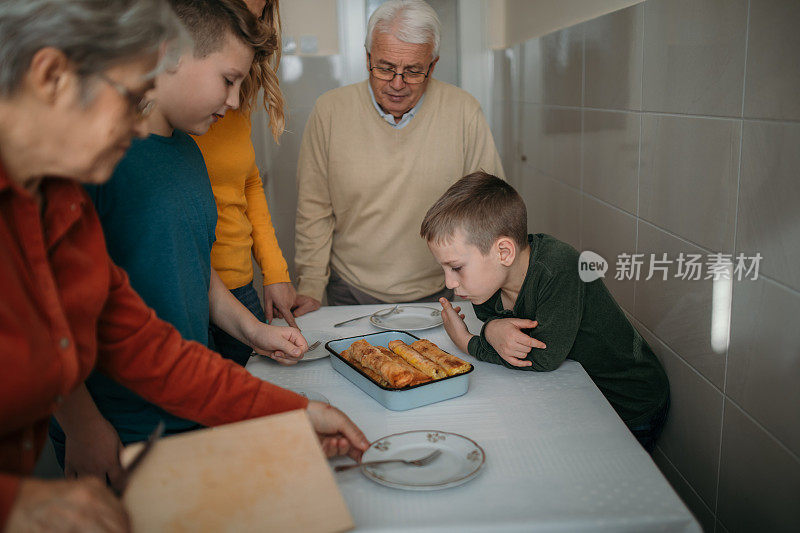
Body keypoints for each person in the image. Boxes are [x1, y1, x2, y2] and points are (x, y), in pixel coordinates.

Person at [0, 1, 367, 530]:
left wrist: (292, 413)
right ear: (51, 77)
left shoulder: (63, 204)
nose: (138, 121)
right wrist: (18, 503)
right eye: (130, 96)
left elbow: (147, 348)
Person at [48, 0, 319, 486]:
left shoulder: (190, 154)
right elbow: (42, 309)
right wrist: (85, 426)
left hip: (184, 406)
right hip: (116, 425)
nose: (236, 102)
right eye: (228, 80)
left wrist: (254, 331)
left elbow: (197, 270)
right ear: (171, 53)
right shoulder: (95, 157)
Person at [421, 172, 670, 451]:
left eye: (456, 268)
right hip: (580, 395)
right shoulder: (490, 282)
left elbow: (542, 358)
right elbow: (494, 319)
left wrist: (469, 342)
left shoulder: (560, 268)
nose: (449, 283)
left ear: (504, 252)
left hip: (628, 402)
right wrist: (492, 328)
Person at [294, 0, 504, 307]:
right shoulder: (330, 111)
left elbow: (489, 206)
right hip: (351, 288)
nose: (397, 84)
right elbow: (314, 210)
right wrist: (310, 286)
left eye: (413, 71)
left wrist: (489, 287)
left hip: (444, 288)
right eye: (385, 68)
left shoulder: (463, 110)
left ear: (432, 66)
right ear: (368, 59)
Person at [192, 0, 318, 366]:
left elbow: (248, 184)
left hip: (237, 286)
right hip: (192, 294)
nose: (253, 19)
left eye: (262, 10)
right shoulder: (171, 125)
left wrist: (275, 272)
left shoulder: (233, 99)